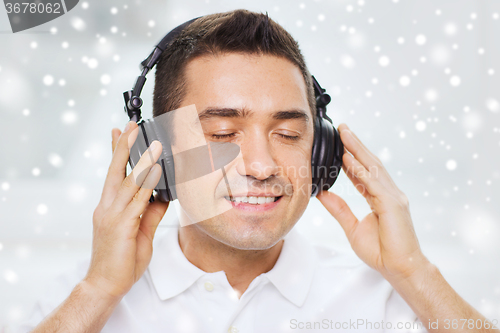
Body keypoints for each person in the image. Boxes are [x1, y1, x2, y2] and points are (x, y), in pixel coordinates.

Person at [18, 9, 498, 333]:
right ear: (158, 153)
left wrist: (414, 273)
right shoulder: (83, 298)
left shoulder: (391, 302)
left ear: (320, 151)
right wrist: (99, 291)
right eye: (223, 133)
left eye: (288, 135)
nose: (263, 166)